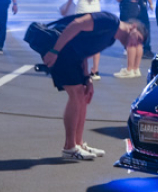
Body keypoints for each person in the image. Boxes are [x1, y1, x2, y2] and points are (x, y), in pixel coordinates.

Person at [42, 12, 145, 160]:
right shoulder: (109, 21)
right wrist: (55, 50)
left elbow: (84, 52)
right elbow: (76, 24)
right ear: (133, 27)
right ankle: (69, 147)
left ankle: (78, 143)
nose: (135, 45)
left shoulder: (109, 39)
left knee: (83, 93)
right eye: (138, 39)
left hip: (72, 55)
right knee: (76, 93)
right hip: (61, 51)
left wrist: (87, 78)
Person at [62, 0, 106, 77]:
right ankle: (95, 70)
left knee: (81, 37)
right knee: (95, 38)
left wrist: (67, 6)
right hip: (94, 4)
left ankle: (84, 70)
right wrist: (95, 0)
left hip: (82, 5)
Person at [114, 0, 151, 78]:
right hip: (139, 8)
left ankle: (129, 69)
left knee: (130, 40)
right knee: (138, 41)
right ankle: (136, 68)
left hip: (128, 9)